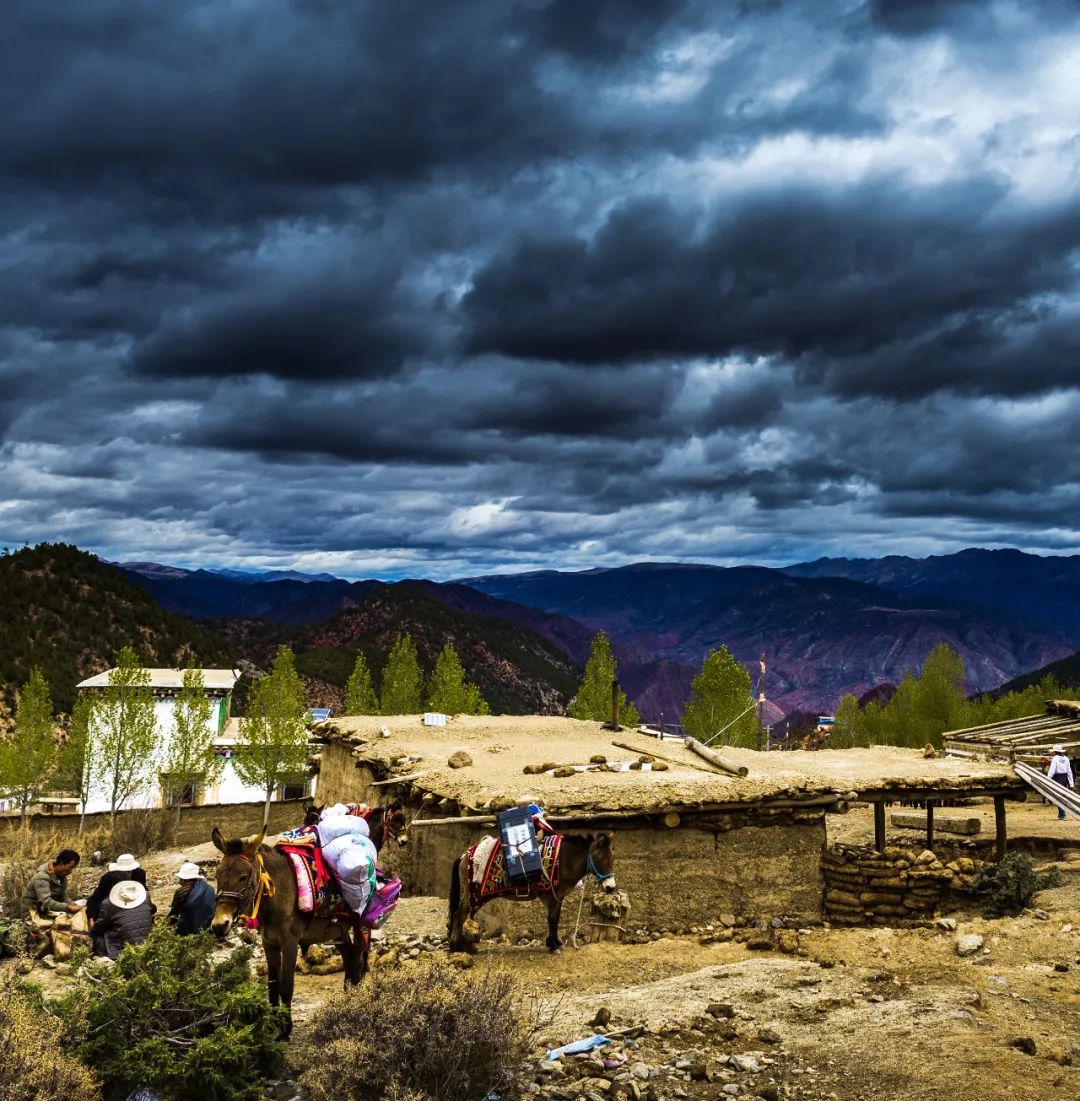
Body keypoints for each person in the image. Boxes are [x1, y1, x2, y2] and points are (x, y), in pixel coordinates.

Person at [92, 880, 155, 960]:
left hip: (122, 950)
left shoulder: (108, 903)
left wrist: (93, 926)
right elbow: (153, 909)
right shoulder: (145, 895)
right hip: (148, 943)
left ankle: (103, 958)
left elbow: (99, 928)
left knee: (96, 935)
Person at [86, 854, 148, 928]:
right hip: (114, 908)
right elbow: (94, 900)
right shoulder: (108, 878)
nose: (127, 873)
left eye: (129, 871)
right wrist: (91, 918)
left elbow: (143, 892)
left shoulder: (139, 874)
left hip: (134, 907)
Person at [20, 849, 83, 920]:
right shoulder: (42, 877)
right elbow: (46, 902)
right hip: (32, 915)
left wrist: (76, 906)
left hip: (45, 911)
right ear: (62, 863)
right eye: (70, 867)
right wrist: (68, 907)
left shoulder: (61, 876)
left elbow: (64, 896)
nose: (71, 871)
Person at [168, 863, 216, 935]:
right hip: (208, 928)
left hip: (188, 929)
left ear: (183, 879)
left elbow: (174, 914)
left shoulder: (181, 892)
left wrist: (167, 924)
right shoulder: (210, 888)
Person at [1047, 745, 1074, 821]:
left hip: (1057, 778)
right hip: (1065, 779)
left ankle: (1062, 815)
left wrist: (1047, 779)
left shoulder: (1055, 759)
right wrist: (1071, 783)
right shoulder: (1066, 759)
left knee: (1058, 797)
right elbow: (1069, 771)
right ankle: (1061, 814)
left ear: (1055, 752)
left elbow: (1052, 771)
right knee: (1062, 796)